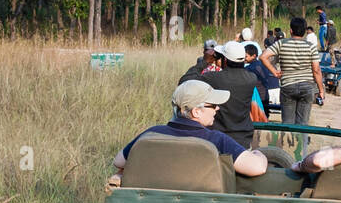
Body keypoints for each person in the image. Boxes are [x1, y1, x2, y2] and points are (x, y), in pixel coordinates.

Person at [108, 80, 267, 189]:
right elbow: (257, 167)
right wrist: (259, 154)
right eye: (213, 105)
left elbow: (119, 161)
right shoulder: (216, 139)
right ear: (196, 111)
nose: (217, 109)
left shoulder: (152, 133)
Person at [178, 40, 261, 149]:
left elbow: (184, 82)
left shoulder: (213, 78)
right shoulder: (251, 78)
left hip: (218, 140)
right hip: (243, 139)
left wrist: (205, 61)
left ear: (225, 60)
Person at [261, 17, 325, 144]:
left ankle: (287, 149)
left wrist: (274, 72)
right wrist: (321, 90)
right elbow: (316, 70)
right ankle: (301, 150)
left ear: (290, 30)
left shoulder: (282, 43)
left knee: (287, 123)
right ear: (305, 31)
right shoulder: (311, 47)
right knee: (303, 123)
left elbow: (263, 56)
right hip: (307, 87)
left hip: (287, 86)